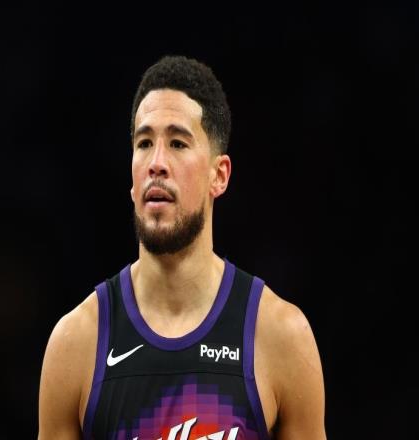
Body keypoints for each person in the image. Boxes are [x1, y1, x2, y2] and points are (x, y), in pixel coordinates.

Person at [38, 55, 326, 440]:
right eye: (144, 143)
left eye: (177, 143)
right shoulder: (75, 343)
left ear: (218, 175)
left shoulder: (280, 336)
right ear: (132, 178)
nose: (156, 163)